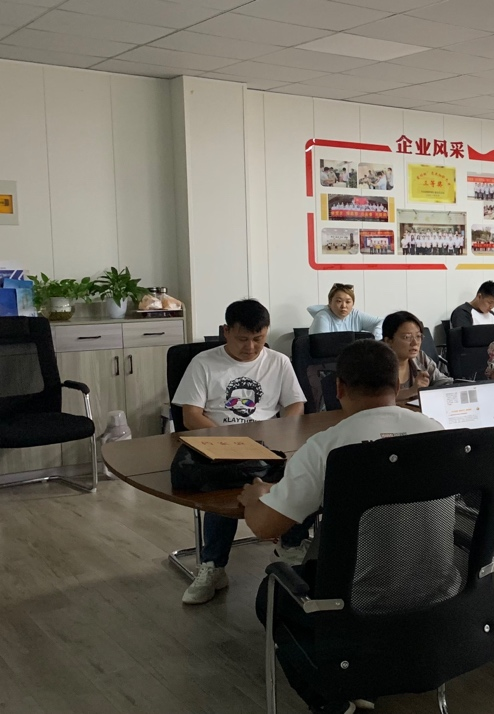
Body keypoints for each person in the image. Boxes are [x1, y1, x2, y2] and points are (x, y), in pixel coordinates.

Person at [240, 340, 444, 714]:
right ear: (397, 384)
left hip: (357, 596)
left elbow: (266, 525)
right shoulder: (437, 430)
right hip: (437, 585)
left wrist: (255, 496)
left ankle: (331, 698)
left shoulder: (328, 446)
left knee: (272, 595)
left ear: (339, 388)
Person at [171, 299, 309, 605]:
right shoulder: (204, 363)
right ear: (226, 331)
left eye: (258, 339)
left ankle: (290, 547)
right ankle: (213, 566)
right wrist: (230, 444)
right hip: (219, 448)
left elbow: (295, 405)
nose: (251, 347)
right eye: (242, 339)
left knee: (306, 475)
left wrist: (283, 432)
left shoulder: (278, 362)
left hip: (268, 448)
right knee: (223, 489)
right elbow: (191, 416)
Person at [382, 310, 452, 394]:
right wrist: (411, 391)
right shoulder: (376, 363)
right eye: (407, 337)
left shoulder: (420, 357)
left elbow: (443, 382)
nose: (415, 343)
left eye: (418, 336)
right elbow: (376, 398)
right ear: (388, 341)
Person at [307, 283, 383, 339]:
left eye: (348, 302)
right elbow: (323, 346)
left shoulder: (355, 314)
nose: (344, 306)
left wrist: (377, 336)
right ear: (330, 302)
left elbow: (383, 322)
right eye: (339, 301)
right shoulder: (322, 317)